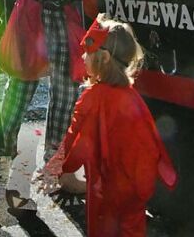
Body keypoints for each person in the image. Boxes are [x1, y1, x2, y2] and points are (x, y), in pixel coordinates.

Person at [0, 0, 131, 212]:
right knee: (22, 85)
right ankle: (2, 162)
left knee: (65, 89)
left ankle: (57, 167)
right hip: (35, 9)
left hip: (64, 10)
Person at [37, 15, 176, 237]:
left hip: (107, 184)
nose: (82, 57)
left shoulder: (93, 98)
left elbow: (77, 140)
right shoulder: (131, 95)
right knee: (132, 230)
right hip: (136, 185)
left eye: (87, 53)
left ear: (102, 59)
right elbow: (150, 139)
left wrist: (57, 167)